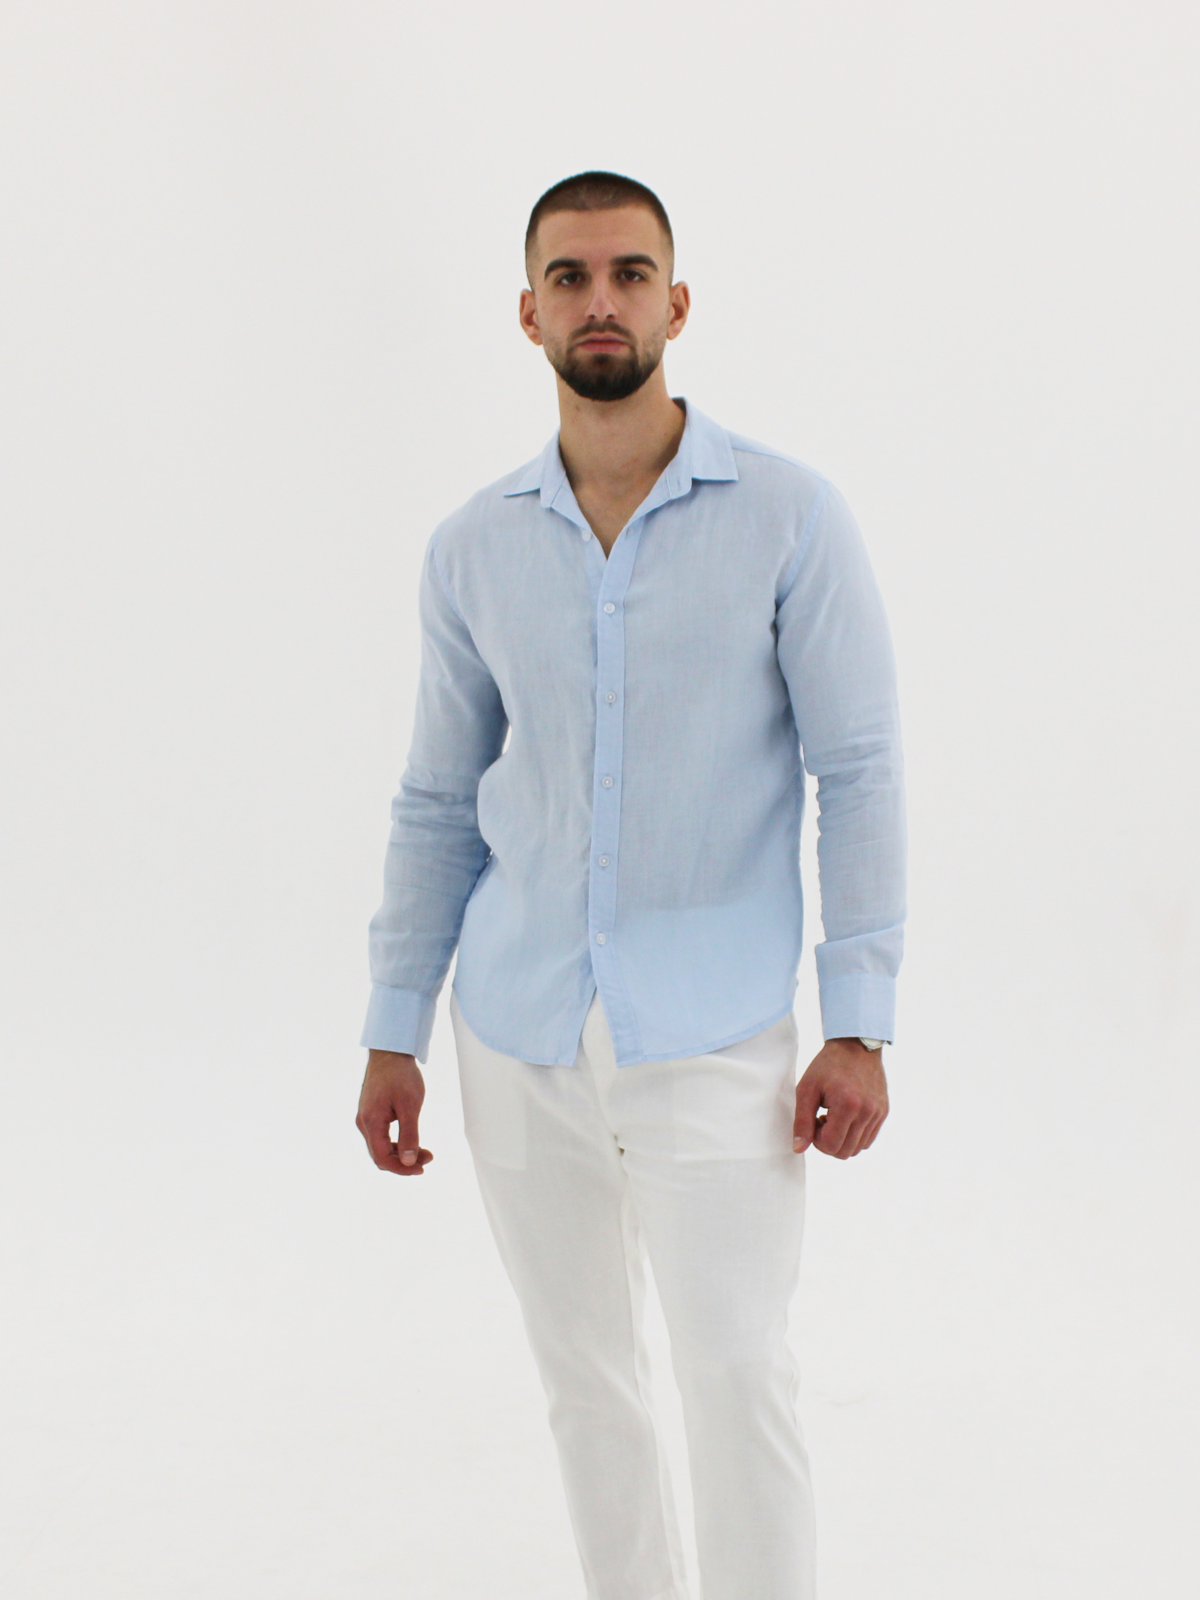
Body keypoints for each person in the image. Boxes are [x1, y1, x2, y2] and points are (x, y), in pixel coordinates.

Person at [355, 170, 906, 1600]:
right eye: (570, 277)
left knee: (736, 1373)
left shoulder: (790, 517)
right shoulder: (471, 548)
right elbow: (437, 799)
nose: (600, 301)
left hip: (715, 1034)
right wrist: (395, 1025)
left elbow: (859, 769)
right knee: (585, 1385)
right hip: (516, 1032)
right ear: (528, 312)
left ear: (677, 301)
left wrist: (860, 1018)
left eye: (628, 273)